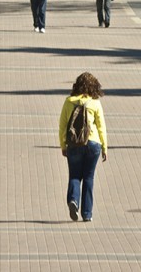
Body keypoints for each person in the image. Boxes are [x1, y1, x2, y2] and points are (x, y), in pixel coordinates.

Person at [58, 72, 108, 223]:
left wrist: (63, 145)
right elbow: (101, 127)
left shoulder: (69, 102)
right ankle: (87, 214)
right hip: (93, 143)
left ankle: (73, 200)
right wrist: (104, 147)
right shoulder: (95, 103)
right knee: (88, 177)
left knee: (74, 175)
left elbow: (62, 126)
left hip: (74, 143)